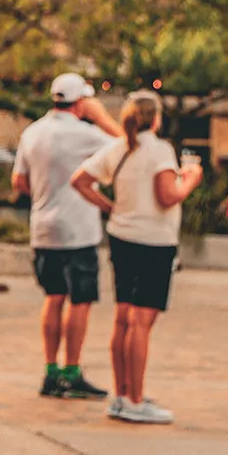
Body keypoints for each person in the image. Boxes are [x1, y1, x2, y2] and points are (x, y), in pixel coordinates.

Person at [71, 91, 202, 425]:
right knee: (142, 321)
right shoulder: (159, 150)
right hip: (153, 242)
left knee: (123, 318)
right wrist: (190, 180)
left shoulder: (118, 148)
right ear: (156, 119)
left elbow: (80, 181)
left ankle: (121, 395)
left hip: (122, 237)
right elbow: (167, 196)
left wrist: (110, 208)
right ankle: (135, 398)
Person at [12, 72, 122, 399]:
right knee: (80, 300)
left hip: (43, 228)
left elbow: (18, 181)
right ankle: (72, 371)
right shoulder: (86, 134)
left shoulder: (32, 132)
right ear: (81, 102)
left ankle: (50, 370)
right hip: (79, 229)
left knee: (53, 296)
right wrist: (101, 116)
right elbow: (126, 145)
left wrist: (46, 193)